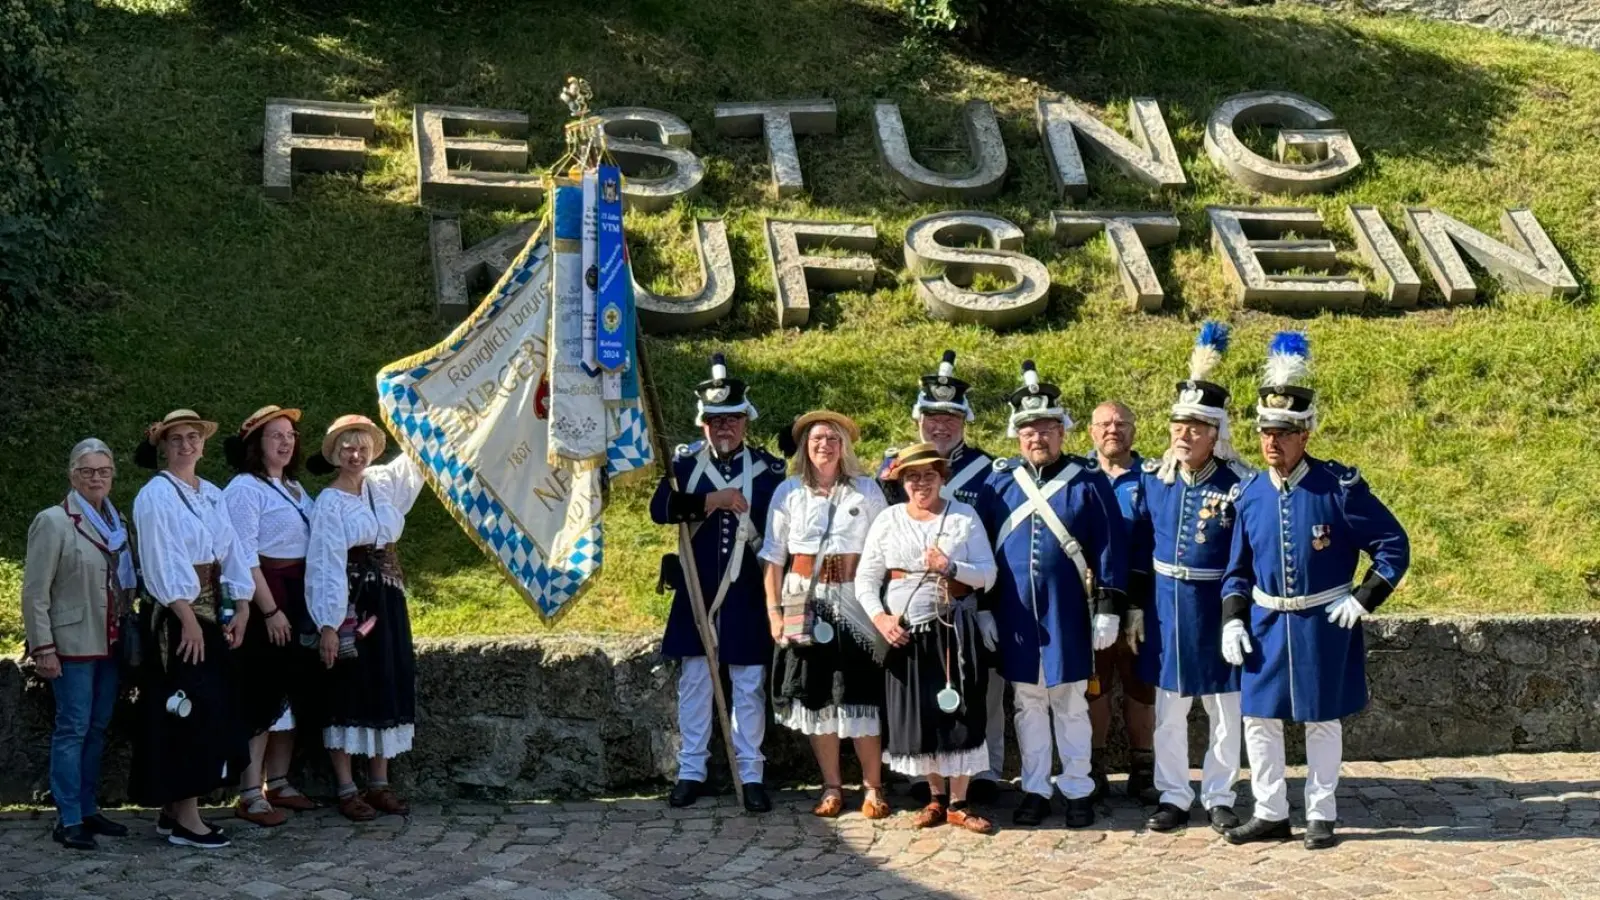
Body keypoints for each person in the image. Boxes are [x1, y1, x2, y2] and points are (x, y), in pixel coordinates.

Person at [1219, 333, 1410, 851]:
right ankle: (1270, 811)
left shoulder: (1339, 488)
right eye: (1265, 432)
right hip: (1265, 626)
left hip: (1323, 624)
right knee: (1258, 720)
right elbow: (1236, 569)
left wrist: (1363, 597)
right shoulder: (1251, 493)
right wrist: (1233, 619)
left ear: (1305, 433)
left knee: (1322, 721)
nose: (1271, 443)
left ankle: (1322, 813)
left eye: (1283, 432)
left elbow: (1394, 545)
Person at [976, 361, 1128, 828]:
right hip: (1015, 613)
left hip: (1068, 614)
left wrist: (1108, 608)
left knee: (1070, 701)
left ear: (1062, 431)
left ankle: (1078, 787)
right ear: (1016, 436)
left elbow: (1110, 544)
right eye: (1028, 430)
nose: (1037, 437)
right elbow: (981, 548)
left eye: (1046, 428)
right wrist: (984, 609)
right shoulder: (999, 482)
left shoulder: (1087, 480)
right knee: (1026, 702)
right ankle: (1036, 786)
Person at [1129, 323, 1251, 834]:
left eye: (1197, 427)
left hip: (1215, 608)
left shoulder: (1239, 484)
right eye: (1179, 425)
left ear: (1216, 433)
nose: (1185, 434)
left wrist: (1238, 617)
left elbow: (1246, 557)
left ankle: (1220, 793)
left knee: (1225, 711)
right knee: (1169, 711)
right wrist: (1135, 605)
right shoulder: (1154, 479)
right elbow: (1139, 547)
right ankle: (1175, 793)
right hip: (1166, 609)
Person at [650, 354, 785, 813]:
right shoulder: (684, 465)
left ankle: (751, 773)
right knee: (695, 683)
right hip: (696, 589)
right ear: (702, 423)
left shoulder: (769, 471)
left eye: (731, 419)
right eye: (714, 421)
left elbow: (779, 532)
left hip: (747, 593)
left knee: (747, 684)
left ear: (745, 421)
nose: (722, 428)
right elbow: (660, 509)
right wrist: (715, 499)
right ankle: (692, 771)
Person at [876, 350, 1006, 806]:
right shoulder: (895, 468)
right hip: (911, 604)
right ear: (919, 420)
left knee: (978, 690)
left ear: (964, 421)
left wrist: (987, 607)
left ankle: (983, 770)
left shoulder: (990, 472)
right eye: (933, 416)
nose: (941, 425)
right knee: (923, 691)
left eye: (951, 417)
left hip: (968, 600)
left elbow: (995, 542)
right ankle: (923, 775)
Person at [857, 443, 998, 833]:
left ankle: (960, 801)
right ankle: (935, 798)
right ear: (902, 481)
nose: (921, 483)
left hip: (953, 631)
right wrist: (880, 618)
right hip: (904, 632)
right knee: (919, 717)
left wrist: (950, 566)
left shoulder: (963, 517)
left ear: (942, 478)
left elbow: (988, 574)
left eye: (929, 476)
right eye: (913, 476)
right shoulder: (887, 520)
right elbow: (866, 579)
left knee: (960, 714)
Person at [129, 409, 253, 849]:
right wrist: (186, 619)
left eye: (193, 437)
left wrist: (241, 606)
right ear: (163, 446)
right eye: (177, 438)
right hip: (178, 618)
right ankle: (186, 817)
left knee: (211, 708)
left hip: (210, 614)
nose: (186, 445)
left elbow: (233, 552)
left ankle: (173, 812)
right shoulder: (155, 496)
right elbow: (160, 562)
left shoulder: (213, 494)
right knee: (186, 710)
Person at [762, 410, 890, 819]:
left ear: (844, 447)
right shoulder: (787, 493)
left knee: (862, 695)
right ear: (804, 446)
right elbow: (773, 558)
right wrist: (774, 614)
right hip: (804, 598)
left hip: (856, 598)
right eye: (816, 439)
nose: (824, 445)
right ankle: (832, 787)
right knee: (818, 698)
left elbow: (881, 551)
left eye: (832, 439)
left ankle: (873, 787)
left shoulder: (866, 491)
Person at [306, 414, 426, 822]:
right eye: (347, 448)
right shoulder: (330, 502)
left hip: (388, 601)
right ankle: (346, 787)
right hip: (351, 601)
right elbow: (324, 563)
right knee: (348, 685)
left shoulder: (381, 485)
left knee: (386, 681)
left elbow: (418, 460)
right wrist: (328, 621)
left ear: (372, 451)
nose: (355, 454)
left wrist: (433, 414)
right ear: (336, 455)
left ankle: (379, 783)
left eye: (362, 447)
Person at [22, 439, 136, 850]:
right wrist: (43, 647)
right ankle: (67, 817)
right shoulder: (54, 521)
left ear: (112, 476)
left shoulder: (116, 521)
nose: (96, 478)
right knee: (72, 728)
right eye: (87, 471)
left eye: (103, 471)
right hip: (71, 643)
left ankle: (88, 808)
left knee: (98, 727)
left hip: (109, 641)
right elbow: (35, 592)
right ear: (72, 475)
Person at [222, 406, 323, 827]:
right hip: (270, 594)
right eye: (275, 435)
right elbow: (243, 554)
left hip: (300, 594)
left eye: (290, 435)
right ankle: (249, 791)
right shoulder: (245, 489)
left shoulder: (297, 488)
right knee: (263, 692)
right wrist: (270, 609)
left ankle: (278, 781)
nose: (285, 442)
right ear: (255, 444)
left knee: (293, 692)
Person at [1085, 400, 1157, 803]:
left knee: (1139, 686)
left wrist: (1140, 603)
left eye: (1122, 423)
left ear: (1134, 430)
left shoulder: (1152, 478)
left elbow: (1155, 542)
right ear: (1092, 432)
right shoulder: (1078, 476)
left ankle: (1142, 766)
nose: (1113, 430)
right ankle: (1093, 766)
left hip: (1139, 603)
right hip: (1087, 602)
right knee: (1094, 686)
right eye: (1105, 424)